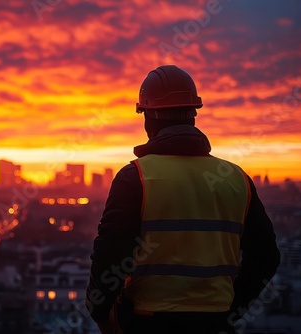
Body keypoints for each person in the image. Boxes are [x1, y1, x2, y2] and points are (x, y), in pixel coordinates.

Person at [85, 65, 281, 334]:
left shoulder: (136, 178)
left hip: (148, 322)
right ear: (193, 115)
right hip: (214, 323)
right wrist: (232, 309)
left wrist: (101, 314)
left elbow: (109, 255)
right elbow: (266, 257)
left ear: (148, 117)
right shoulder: (236, 179)